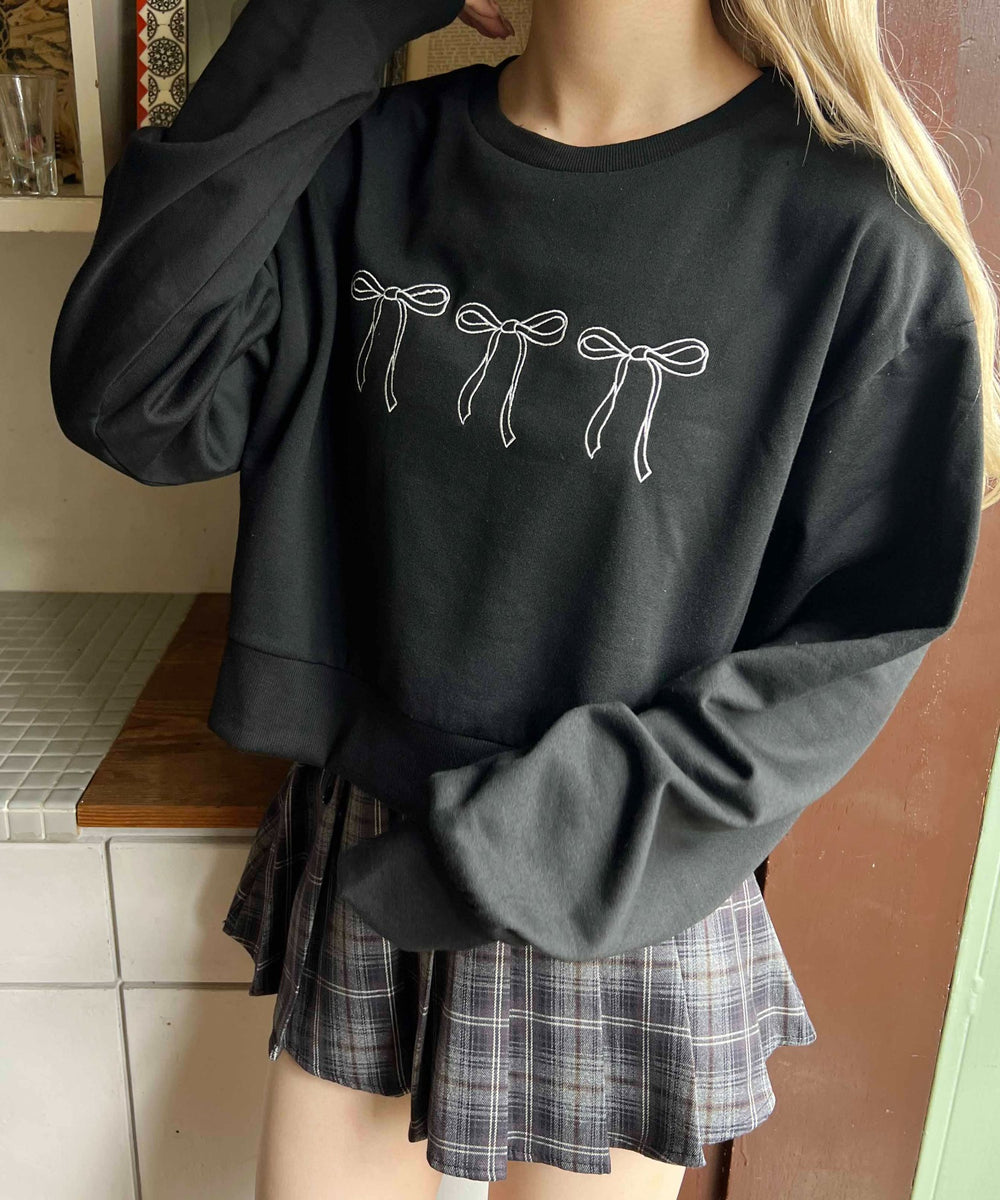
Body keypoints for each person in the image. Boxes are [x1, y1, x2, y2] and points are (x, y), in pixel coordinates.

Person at [49, 0, 996, 1197]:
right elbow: (130, 397)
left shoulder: (853, 238)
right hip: (372, 835)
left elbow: (855, 642)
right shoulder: (366, 160)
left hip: (614, 873)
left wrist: (542, 838)